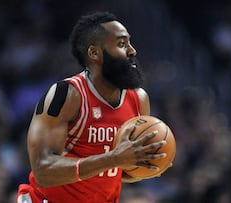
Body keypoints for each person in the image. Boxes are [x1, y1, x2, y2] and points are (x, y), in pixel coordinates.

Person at [16, 11, 167, 203]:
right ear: (94, 53)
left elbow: (119, 171)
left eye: (129, 42)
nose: (132, 51)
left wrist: (146, 164)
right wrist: (113, 159)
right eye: (122, 44)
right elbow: (43, 171)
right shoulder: (67, 95)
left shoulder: (139, 99)